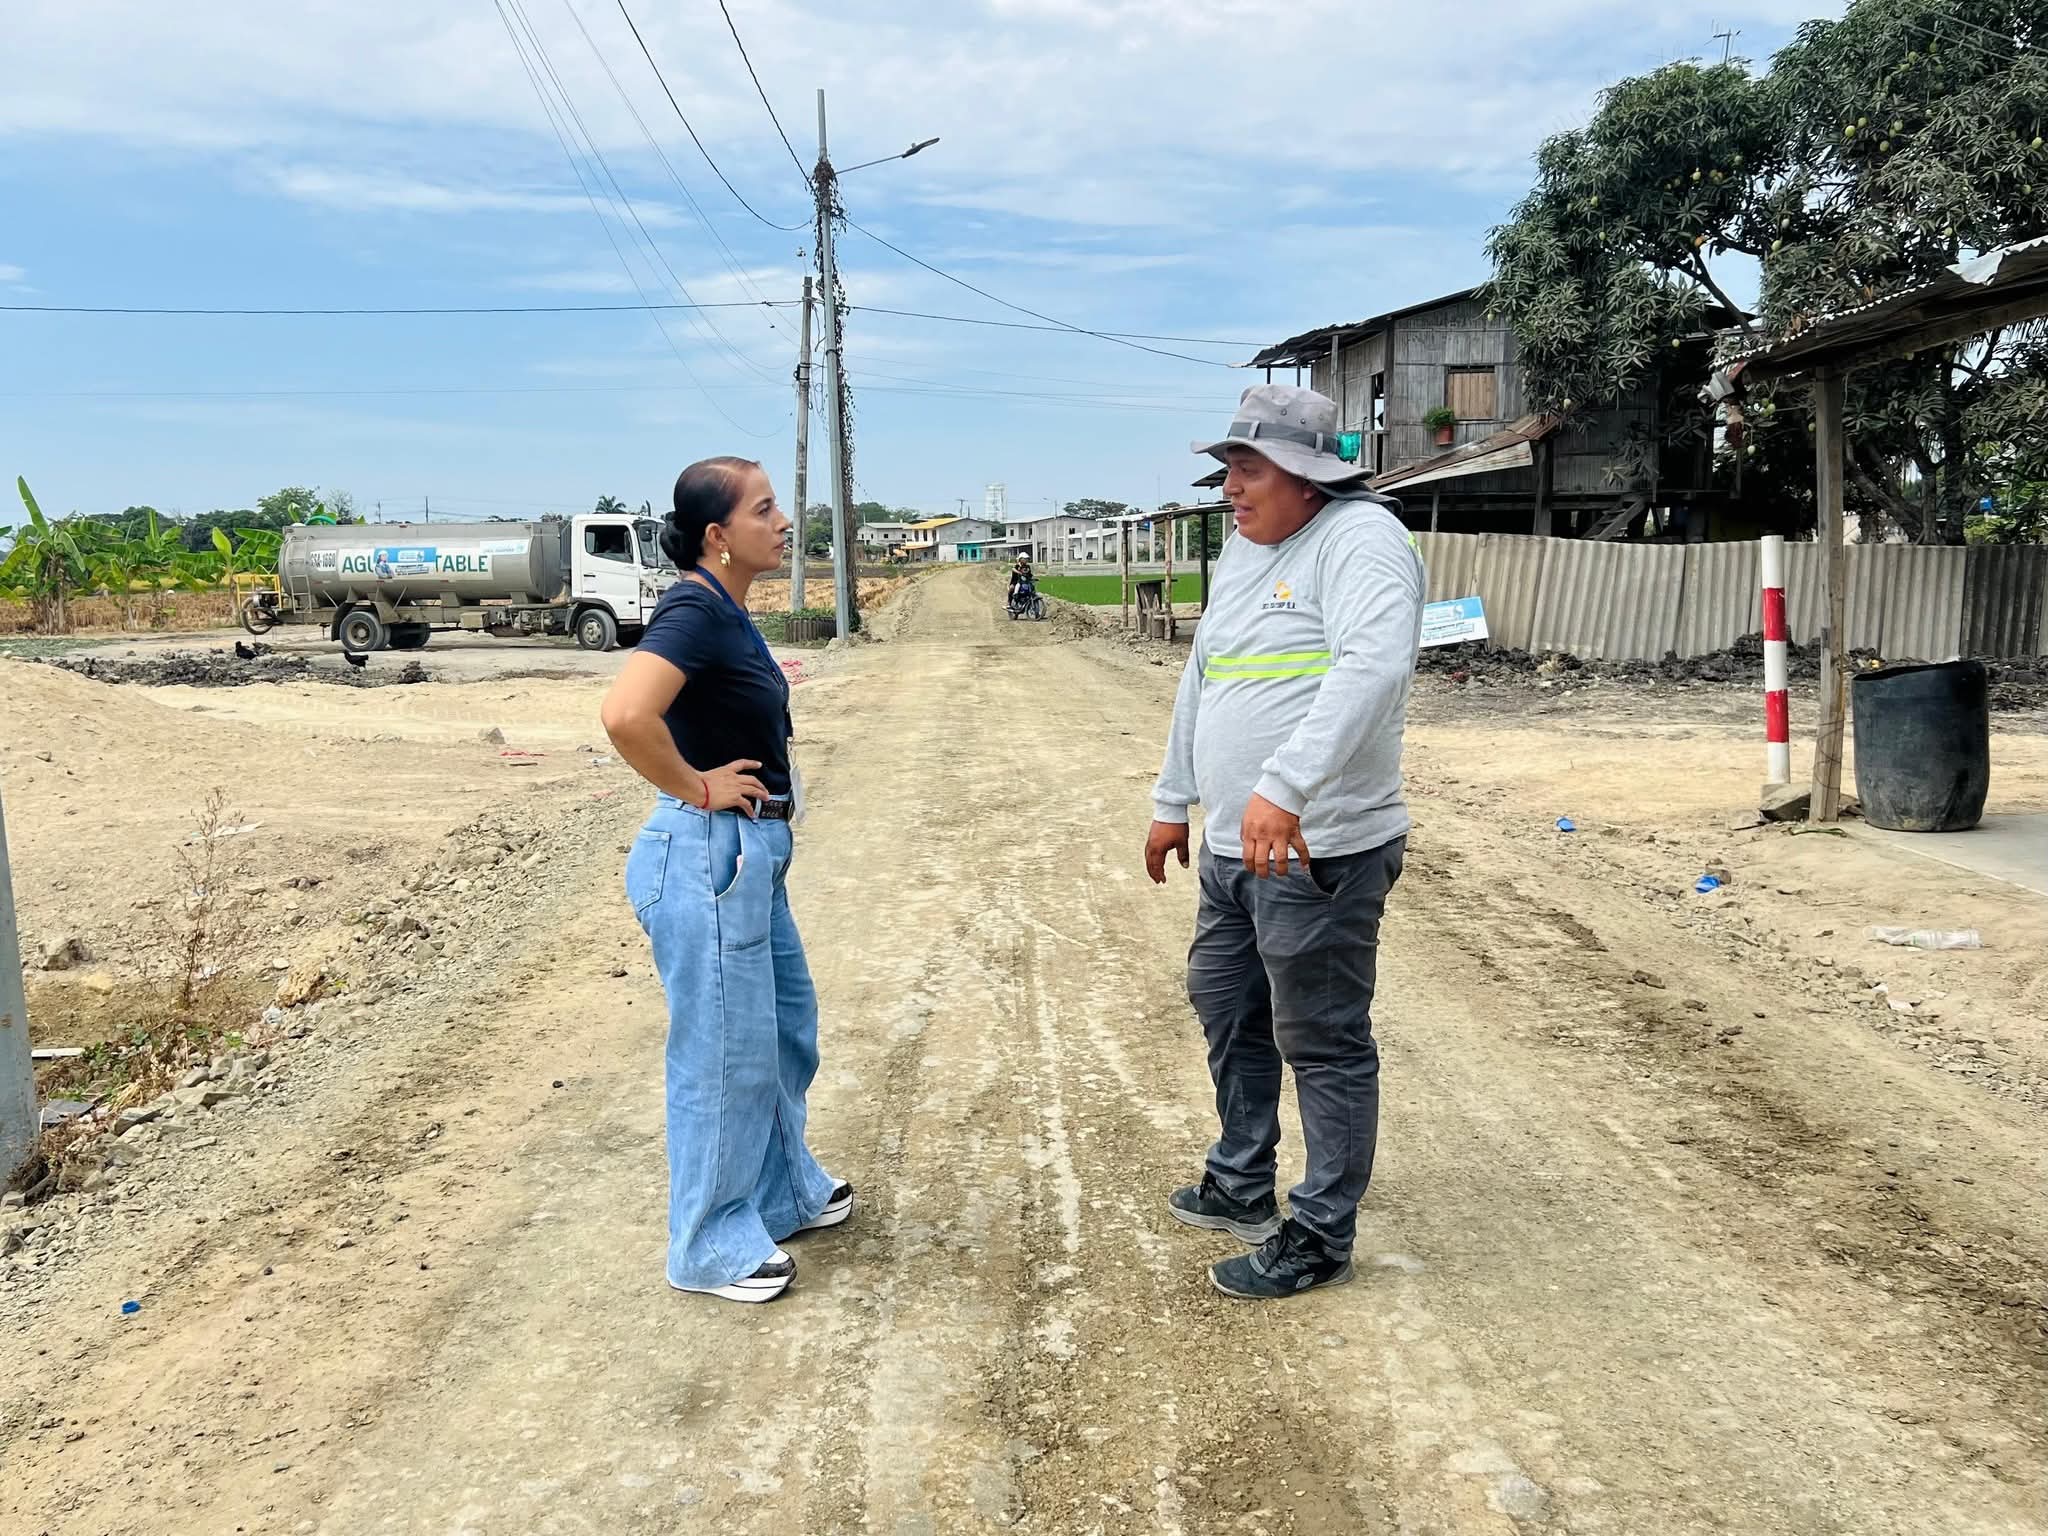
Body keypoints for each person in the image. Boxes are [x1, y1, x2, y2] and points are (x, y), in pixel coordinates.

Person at [1145, 383, 1424, 1301]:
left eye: (1248, 468)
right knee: (1228, 1006)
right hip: (1234, 848)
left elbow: (1372, 668)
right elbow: (1206, 675)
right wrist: (1174, 798)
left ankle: (1320, 1234)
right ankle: (1241, 1178)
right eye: (1229, 467)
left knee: (1324, 1038)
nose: (1230, 487)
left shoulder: (1361, 540)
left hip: (1321, 848)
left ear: (1306, 476)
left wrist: (1287, 786)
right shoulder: (1243, 549)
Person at [599, 456, 850, 1305]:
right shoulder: (695, 610)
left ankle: (779, 1194)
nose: (784, 523)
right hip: (706, 856)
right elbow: (625, 714)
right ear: (718, 535)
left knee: (783, 1034)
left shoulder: (727, 609)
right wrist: (697, 785)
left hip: (748, 859)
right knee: (721, 1057)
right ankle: (708, 1244)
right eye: (765, 509)